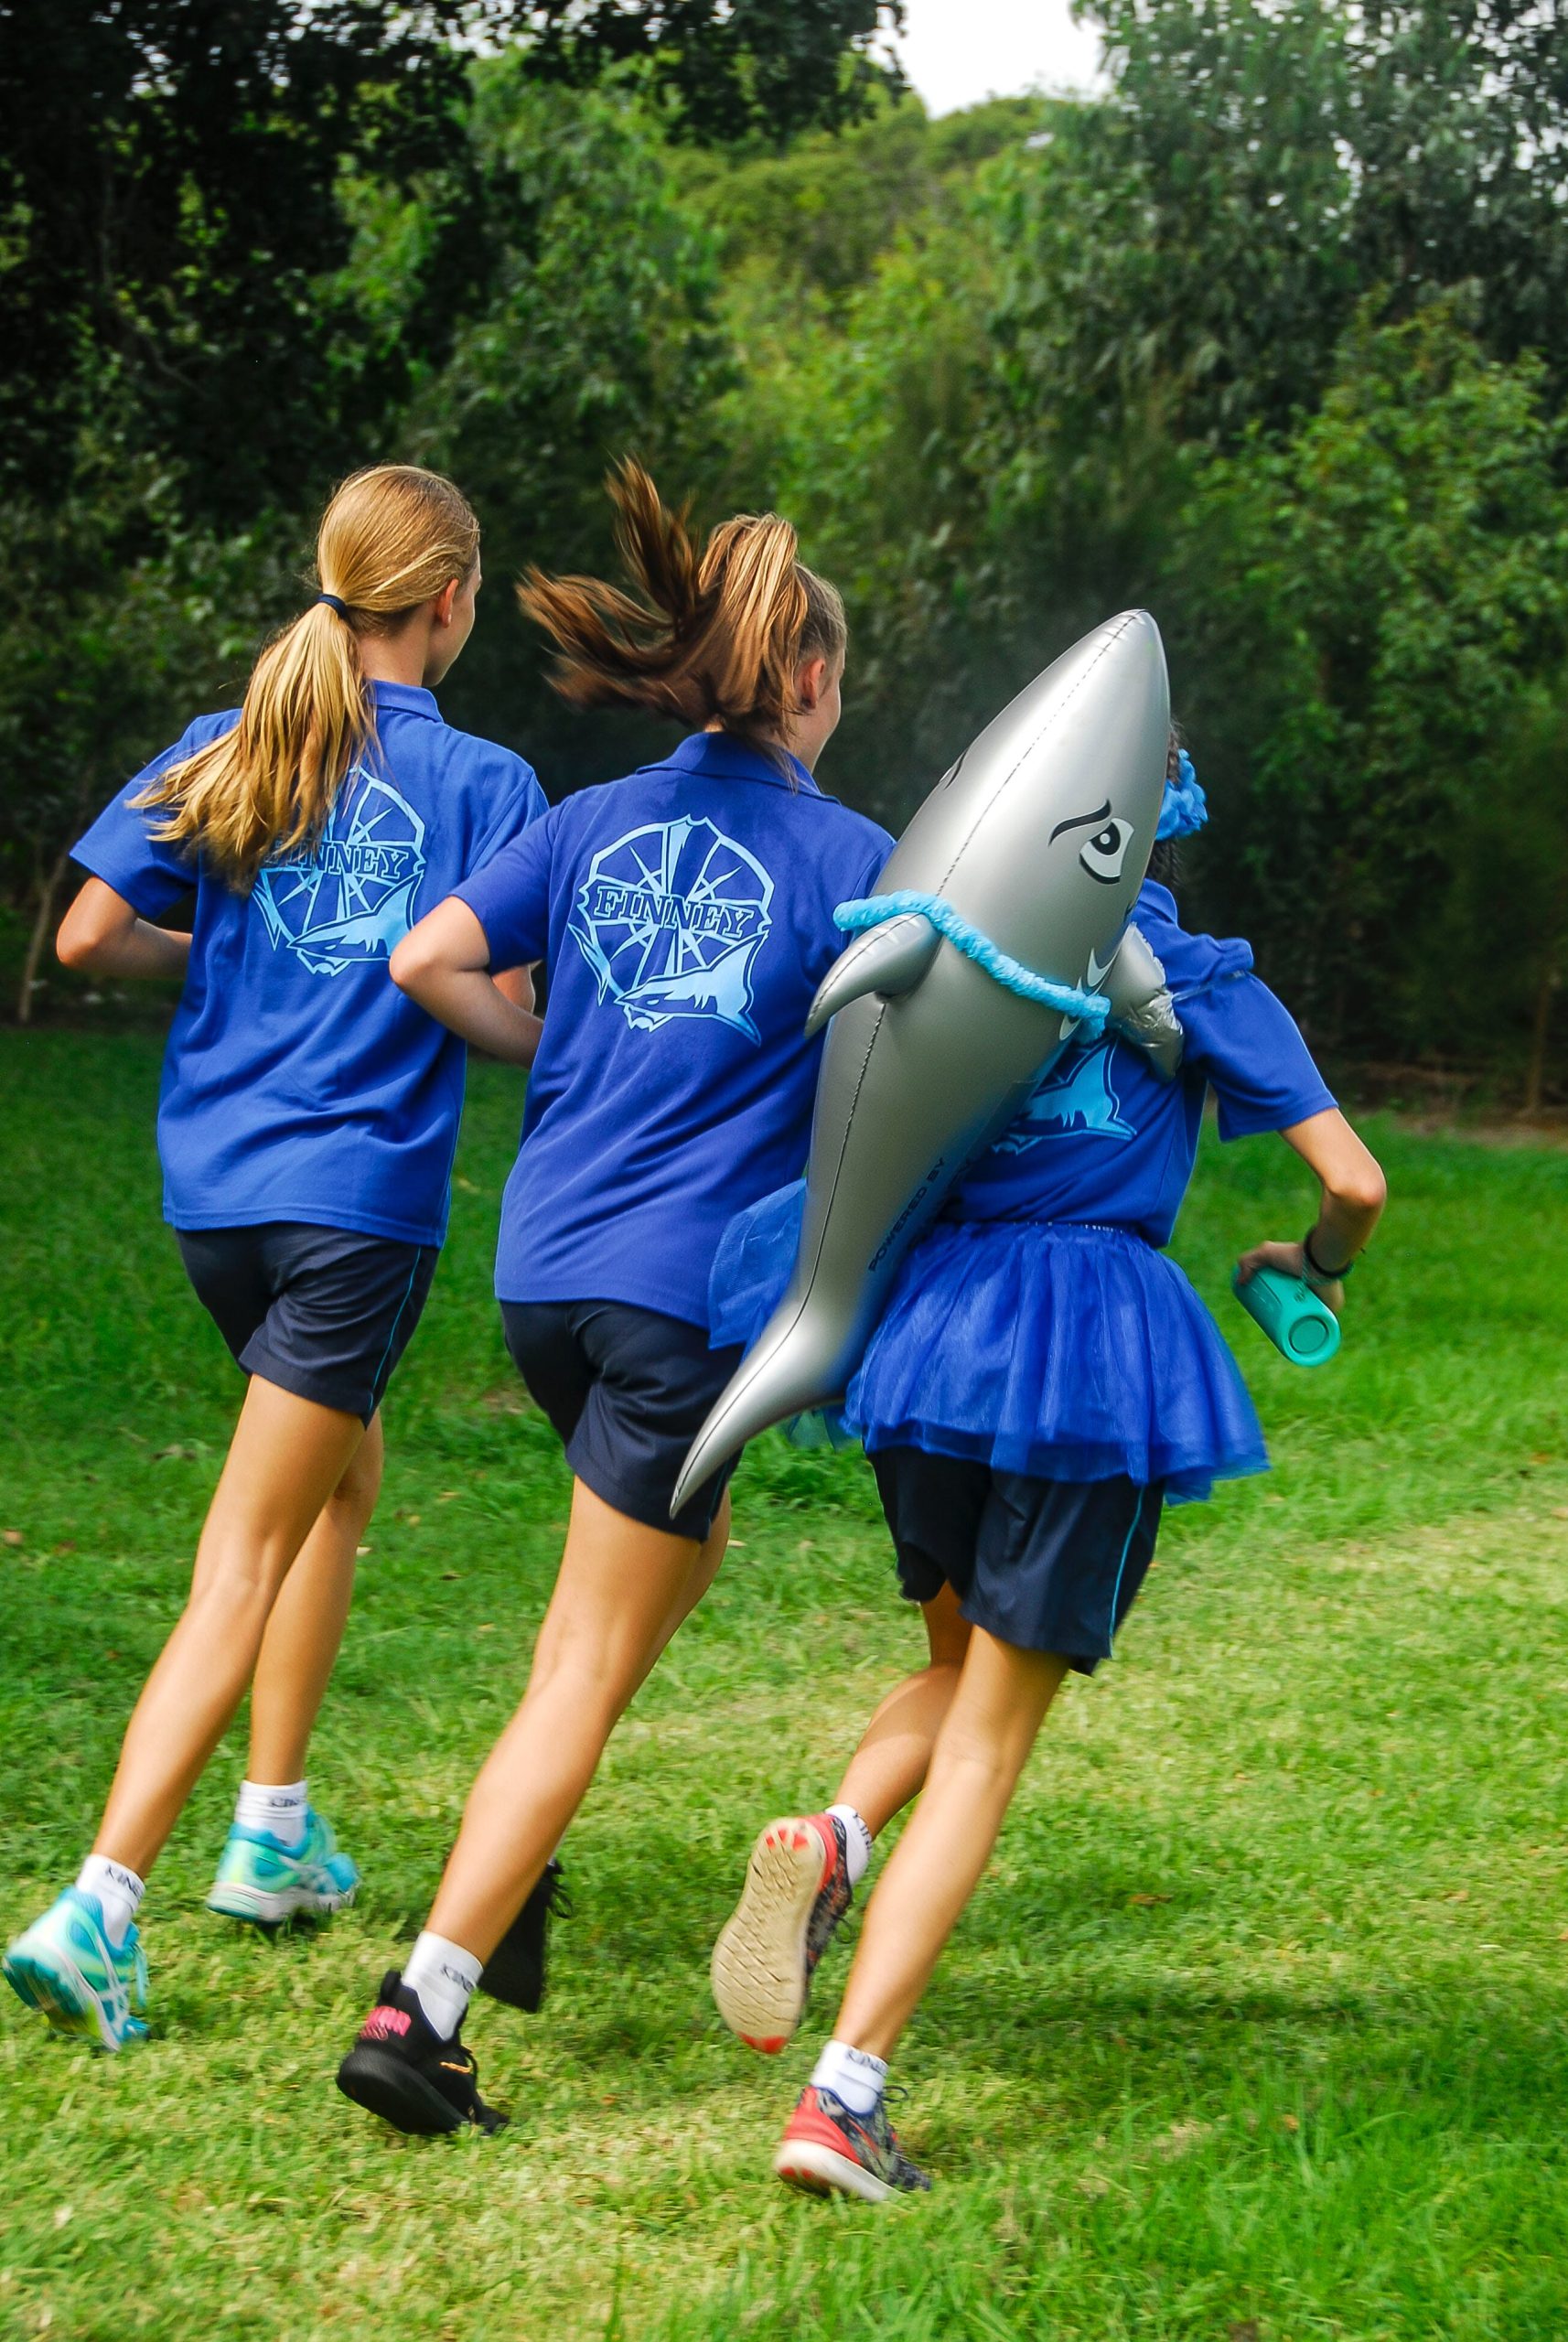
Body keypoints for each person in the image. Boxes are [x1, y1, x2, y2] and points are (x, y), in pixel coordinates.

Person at [706, 746, 1388, 2199]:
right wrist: (1307, 1262)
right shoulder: (1194, 974)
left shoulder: (958, 941)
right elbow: (1355, 1181)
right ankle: (845, 2095)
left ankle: (836, 1832)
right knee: (993, 1736)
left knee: (959, 1666)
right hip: (1087, 1352)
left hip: (930, 1339)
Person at [333, 458, 893, 2137]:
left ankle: (507, 1892)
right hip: (677, 1301)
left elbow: (424, 960)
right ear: (804, 679)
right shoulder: (855, 854)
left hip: (544, 1278)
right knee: (584, 1659)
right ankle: (419, 2009)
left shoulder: (587, 819)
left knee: (665, 1563)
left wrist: (553, 1053)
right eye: (841, 677)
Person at [3, 464, 546, 2054]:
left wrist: (230, 960)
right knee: (247, 1550)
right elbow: (488, 981)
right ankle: (103, 1901)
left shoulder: (238, 739)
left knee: (339, 1481)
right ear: (447, 601)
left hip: (215, 1197)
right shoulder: (488, 783)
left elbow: (90, 937)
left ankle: (274, 1826)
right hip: (353, 1206)